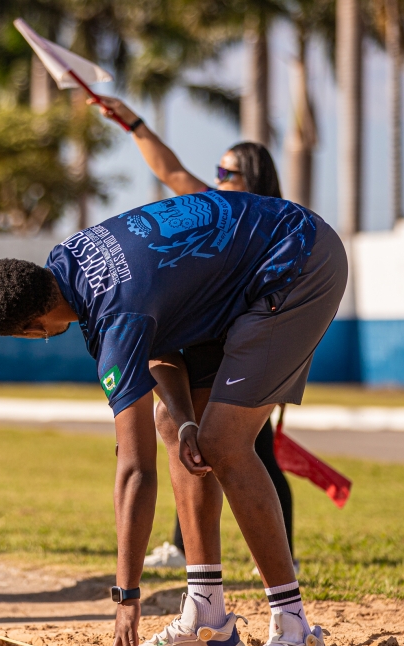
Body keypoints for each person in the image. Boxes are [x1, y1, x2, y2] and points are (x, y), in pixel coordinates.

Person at [0, 189, 346, 646]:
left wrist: (127, 596)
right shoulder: (70, 262)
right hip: (244, 268)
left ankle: (296, 632)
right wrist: (186, 418)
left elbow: (135, 470)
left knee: (225, 443)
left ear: (32, 327)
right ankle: (208, 618)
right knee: (174, 423)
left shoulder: (114, 317)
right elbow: (157, 342)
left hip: (297, 259)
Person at [90, 95, 297, 575]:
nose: (217, 180)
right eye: (218, 172)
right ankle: (191, 549)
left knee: (247, 449)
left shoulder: (276, 225)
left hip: (248, 343)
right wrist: (134, 123)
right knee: (192, 438)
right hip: (210, 342)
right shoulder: (216, 209)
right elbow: (172, 171)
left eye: (228, 173)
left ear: (254, 179)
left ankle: (281, 556)